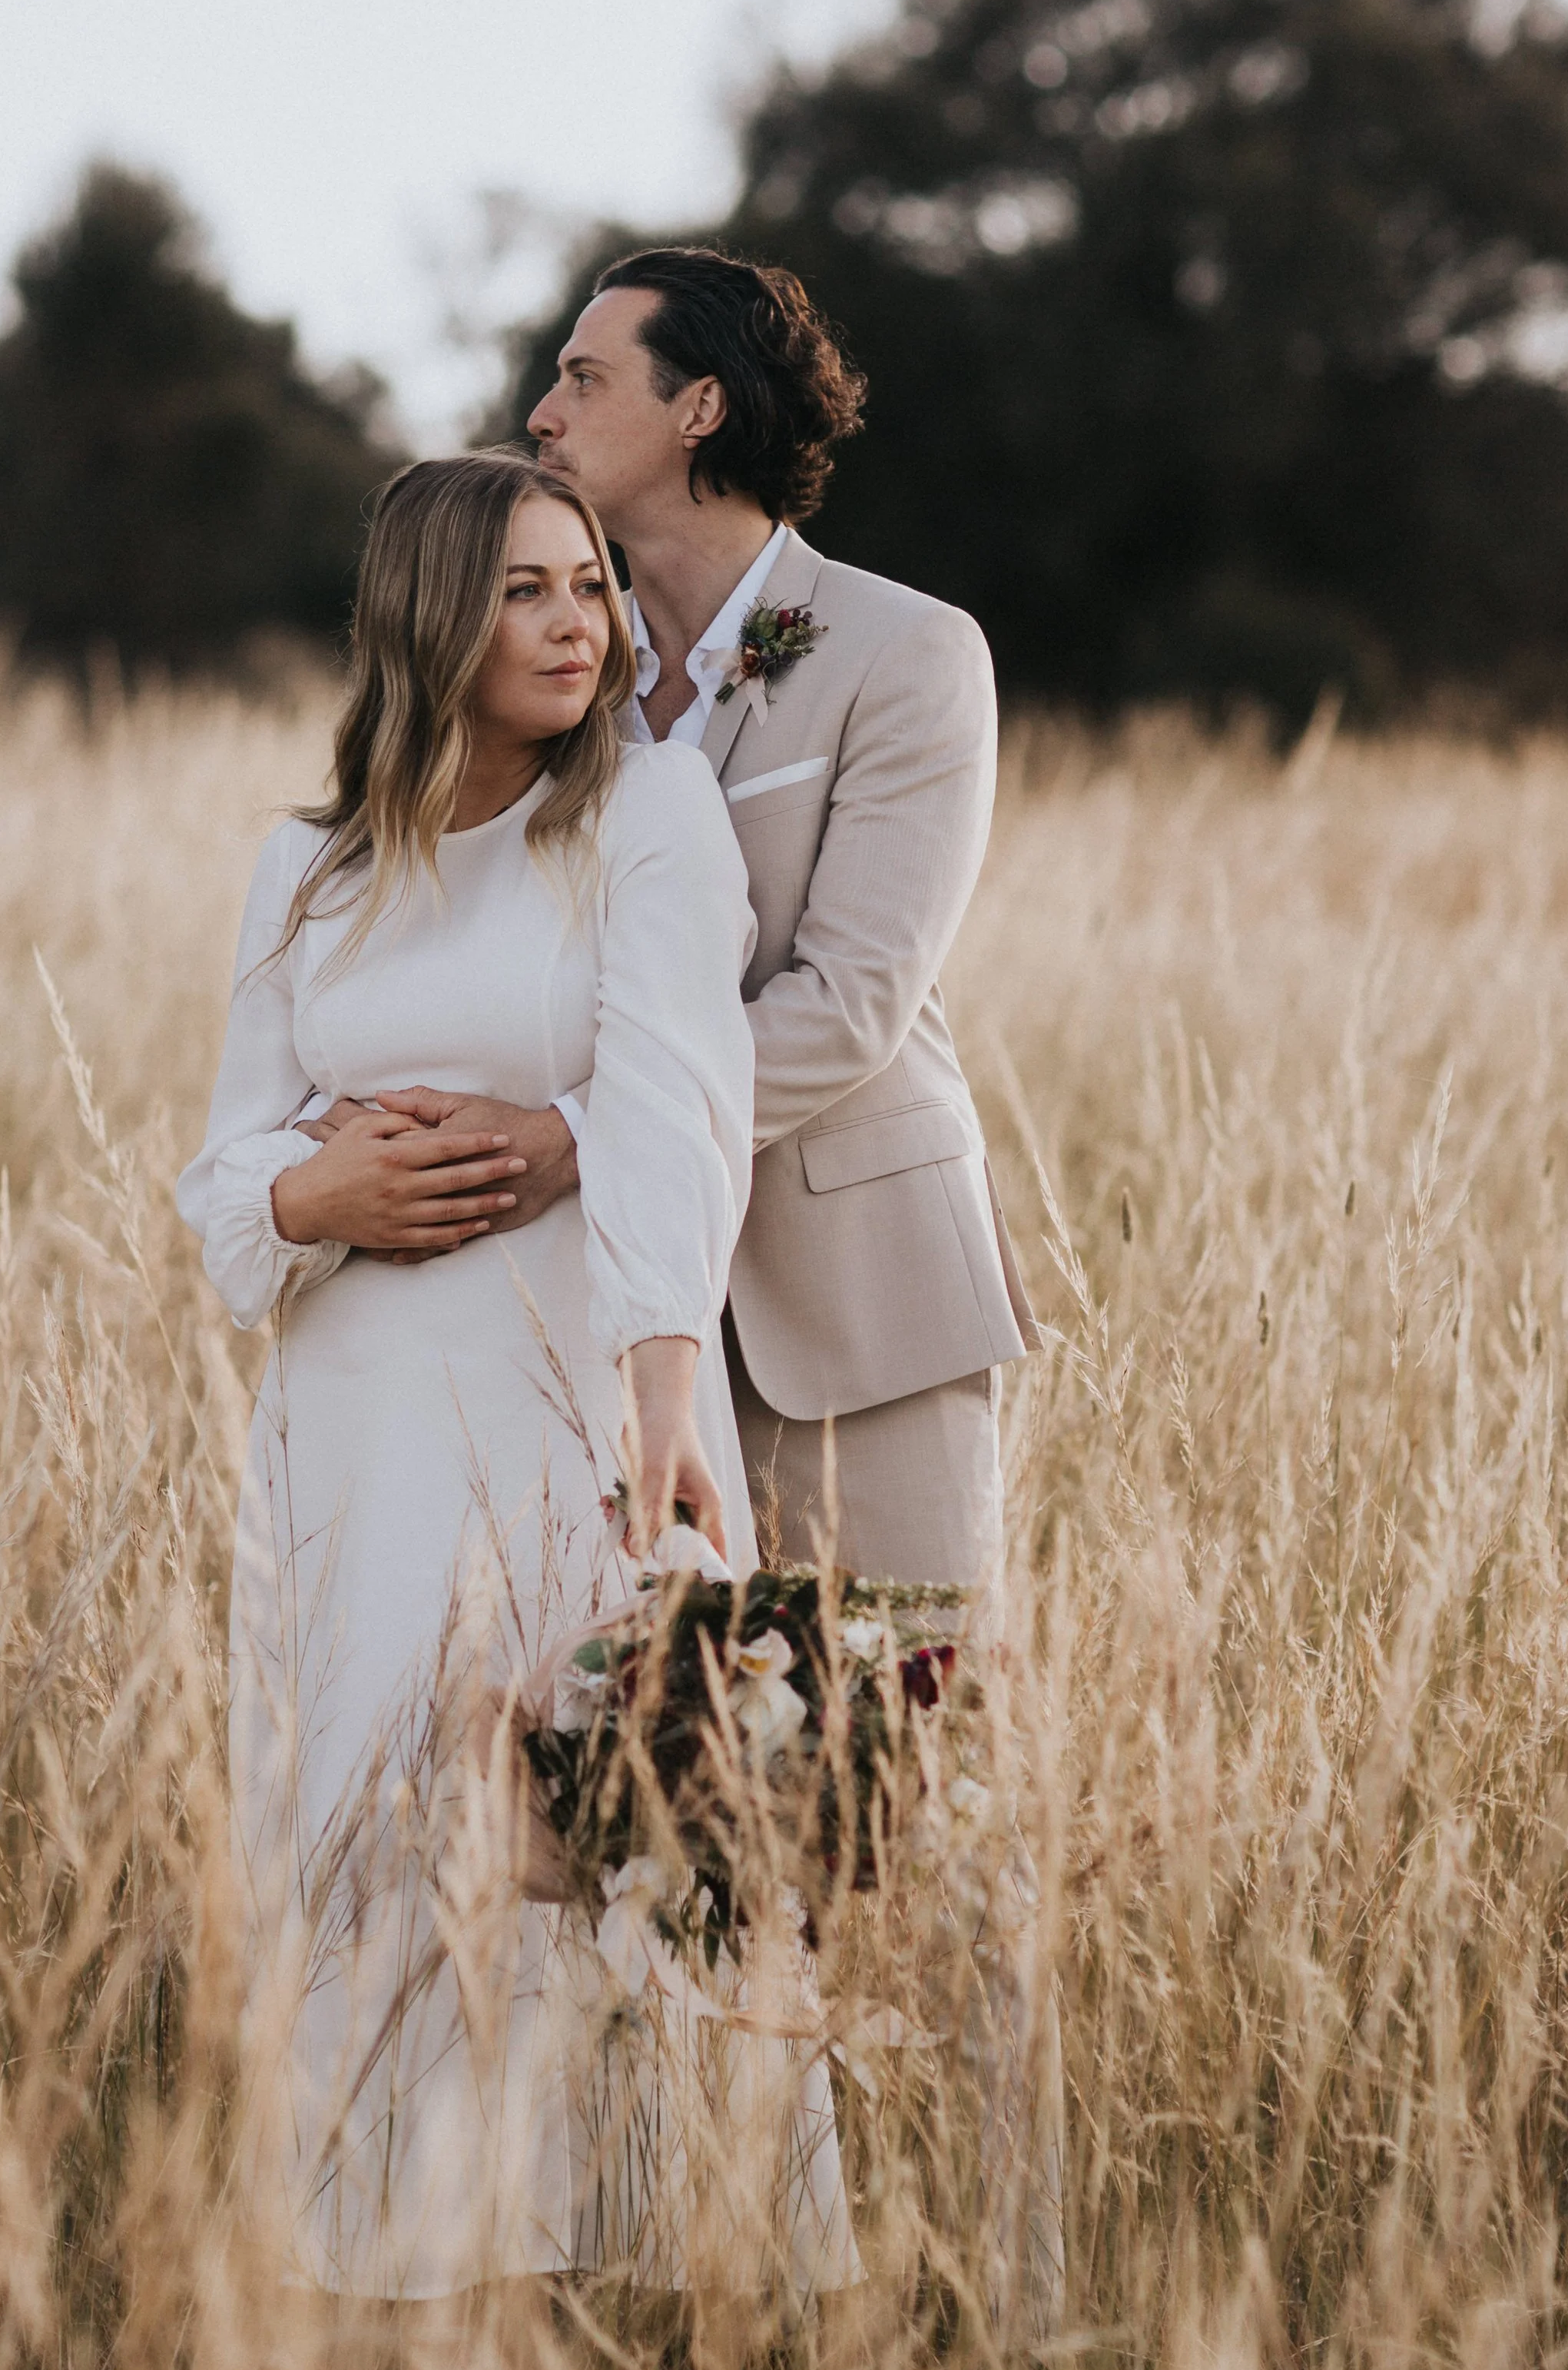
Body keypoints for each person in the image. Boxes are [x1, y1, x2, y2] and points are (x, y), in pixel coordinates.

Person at [177, 450, 854, 2299]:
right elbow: (228, 1179)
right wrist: (324, 1187)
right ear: (426, 618)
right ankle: (390, 2271)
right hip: (353, 1418)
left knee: (605, 1805)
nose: (578, 625)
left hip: (572, 1389)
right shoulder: (305, 869)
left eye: (588, 585)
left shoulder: (641, 814)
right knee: (369, 1822)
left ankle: (651, 2268)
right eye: (525, 593)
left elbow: (669, 1101)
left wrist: (656, 1387)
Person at [310, 248, 1040, 1605]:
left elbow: (852, 1005)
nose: (542, 412)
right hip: (602, 1327)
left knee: (888, 1746)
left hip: (851, 1310)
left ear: (701, 407)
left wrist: (570, 1140)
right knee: (654, 1772)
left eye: (584, 378)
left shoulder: (909, 653)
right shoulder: (559, 667)